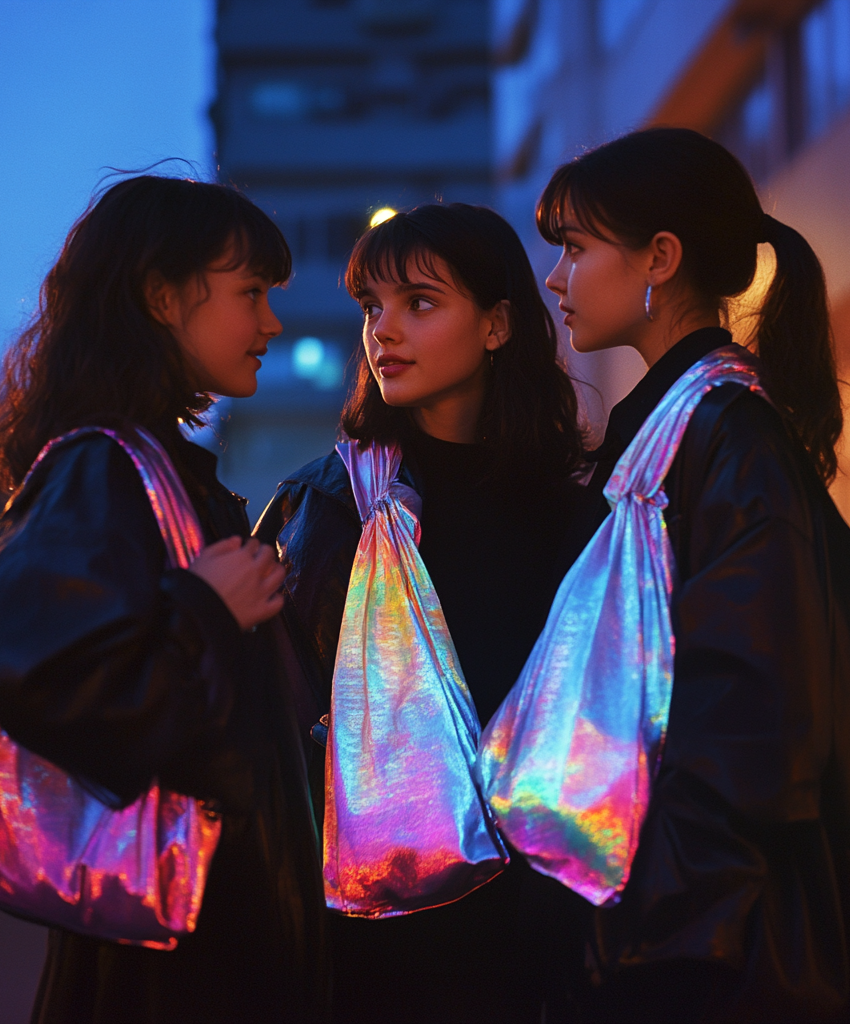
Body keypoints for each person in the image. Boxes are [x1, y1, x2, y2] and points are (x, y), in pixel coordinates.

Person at [535, 127, 850, 1023]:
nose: (555, 277)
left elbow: (752, 714)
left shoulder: (722, 430)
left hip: (716, 946)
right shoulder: (685, 427)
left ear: (660, 256)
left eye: (576, 248)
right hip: (705, 922)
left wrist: (652, 927)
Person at [0, 176, 325, 1024]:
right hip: (167, 966)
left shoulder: (152, 468)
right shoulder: (102, 468)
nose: (270, 322)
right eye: (249, 294)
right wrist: (205, 608)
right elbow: (53, 682)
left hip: (195, 948)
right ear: (162, 297)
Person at [254, 203, 597, 1023]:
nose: (385, 332)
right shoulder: (334, 503)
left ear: (497, 325)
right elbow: (283, 716)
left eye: (420, 303)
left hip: (531, 924)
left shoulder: (571, 514)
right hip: (369, 926)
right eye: (373, 307)